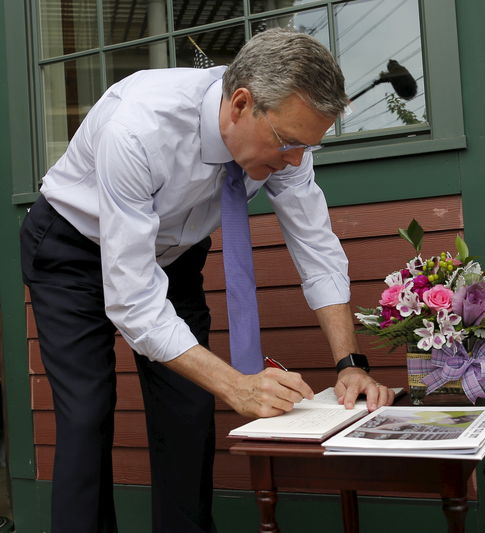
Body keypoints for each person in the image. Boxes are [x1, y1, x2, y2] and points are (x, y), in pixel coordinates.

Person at [20, 28, 394, 533]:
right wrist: (236, 386)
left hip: (173, 255)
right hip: (73, 247)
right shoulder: (137, 127)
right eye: (289, 144)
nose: (295, 161)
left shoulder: (284, 140)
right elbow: (134, 302)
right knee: (87, 414)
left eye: (308, 147)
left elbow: (316, 246)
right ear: (240, 104)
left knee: (188, 413)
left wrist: (349, 362)